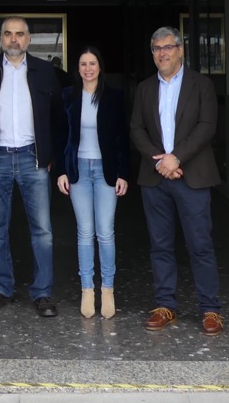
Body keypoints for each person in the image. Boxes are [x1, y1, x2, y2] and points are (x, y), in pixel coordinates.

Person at [129, 26, 223, 336]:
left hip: (192, 177)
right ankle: (165, 306)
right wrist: (160, 161)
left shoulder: (201, 85)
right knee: (160, 246)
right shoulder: (144, 88)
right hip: (155, 178)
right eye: (157, 48)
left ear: (180, 50)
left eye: (168, 47)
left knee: (200, 245)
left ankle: (210, 309)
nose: (162, 53)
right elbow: (136, 129)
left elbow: (207, 126)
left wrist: (177, 158)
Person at [0, 16, 61, 316]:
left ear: (28, 39)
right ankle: (1, 288)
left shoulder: (44, 71)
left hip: (33, 158)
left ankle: (42, 293)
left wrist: (50, 153)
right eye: (8, 34)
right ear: (1, 39)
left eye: (20, 34)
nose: (14, 39)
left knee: (42, 231)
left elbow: (58, 116)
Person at [53, 46, 130, 319]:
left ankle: (107, 289)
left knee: (105, 232)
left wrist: (123, 173)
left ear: (100, 67)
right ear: (78, 68)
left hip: (105, 170)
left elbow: (122, 137)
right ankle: (87, 289)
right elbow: (60, 136)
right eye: (83, 64)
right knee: (85, 232)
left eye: (92, 63)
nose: (88, 68)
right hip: (79, 170)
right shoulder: (67, 96)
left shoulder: (113, 97)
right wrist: (61, 171)